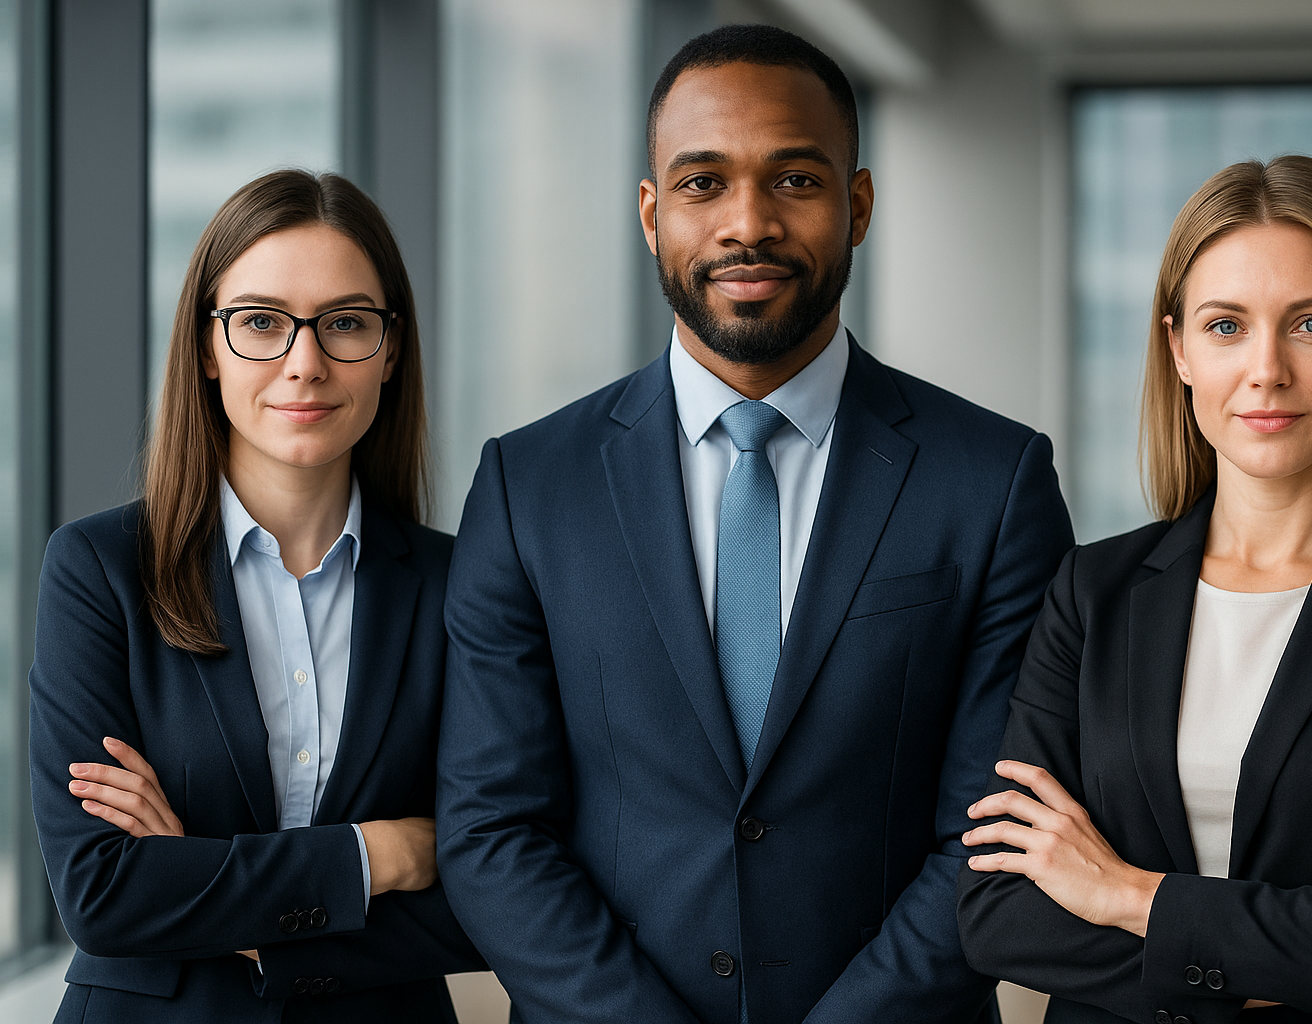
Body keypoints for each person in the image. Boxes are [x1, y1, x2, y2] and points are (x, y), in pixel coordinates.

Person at [435, 23, 1074, 1024]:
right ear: (650, 214)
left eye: (795, 181)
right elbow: (490, 827)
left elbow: (995, 834)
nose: (748, 224)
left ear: (857, 204)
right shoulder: (529, 484)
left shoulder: (994, 483)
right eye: (702, 184)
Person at [956, 155, 1312, 1024]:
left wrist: (1122, 892)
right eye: (1227, 327)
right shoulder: (1092, 589)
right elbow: (1000, 917)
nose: (1267, 370)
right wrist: (1308, 947)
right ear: (1177, 347)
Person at [29, 169, 483, 1023]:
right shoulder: (99, 569)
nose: (303, 363)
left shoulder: (464, 585)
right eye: (261, 324)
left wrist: (204, 882)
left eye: (346, 323)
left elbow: (492, 890)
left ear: (390, 349)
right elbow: (102, 893)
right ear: (207, 346)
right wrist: (376, 855)